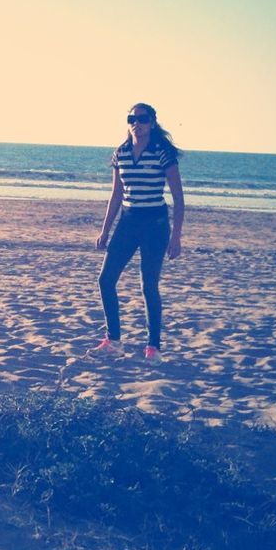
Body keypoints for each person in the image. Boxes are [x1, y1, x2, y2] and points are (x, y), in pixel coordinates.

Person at [94, 102, 184, 363]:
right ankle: (113, 341)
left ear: (153, 122)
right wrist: (105, 230)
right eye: (132, 118)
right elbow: (116, 194)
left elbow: (178, 197)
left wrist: (176, 236)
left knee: (148, 286)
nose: (137, 123)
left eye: (143, 119)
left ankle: (153, 347)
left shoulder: (162, 153)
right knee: (105, 280)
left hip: (155, 224)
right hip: (128, 222)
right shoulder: (120, 153)